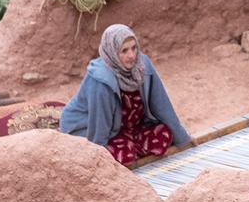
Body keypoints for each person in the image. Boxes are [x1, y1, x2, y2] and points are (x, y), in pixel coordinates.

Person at [59, 24, 190, 167]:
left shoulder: (142, 66)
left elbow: (161, 104)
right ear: (112, 53)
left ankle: (132, 145)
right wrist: (97, 160)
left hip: (128, 127)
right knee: (124, 155)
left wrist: (183, 140)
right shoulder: (100, 81)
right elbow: (99, 126)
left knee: (164, 134)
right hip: (91, 126)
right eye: (124, 51)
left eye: (134, 48)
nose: (132, 55)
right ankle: (129, 147)